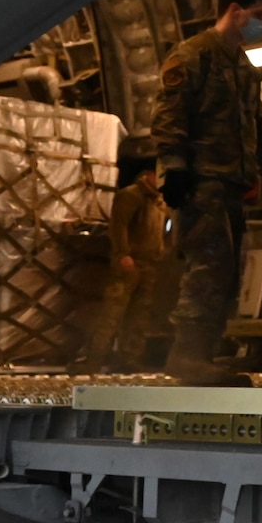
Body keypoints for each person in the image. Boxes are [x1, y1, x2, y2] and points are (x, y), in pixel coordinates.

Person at [151, 0, 262, 384]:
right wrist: (173, 169)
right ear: (234, 11)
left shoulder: (244, 67)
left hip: (232, 184)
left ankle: (204, 351)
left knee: (227, 270)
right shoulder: (193, 55)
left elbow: (254, 129)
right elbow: (169, 116)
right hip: (201, 180)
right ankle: (187, 354)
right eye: (258, 15)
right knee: (208, 266)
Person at [75, 151, 168, 374]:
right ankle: (94, 359)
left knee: (139, 316)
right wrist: (122, 254)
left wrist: (163, 250)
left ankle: (129, 359)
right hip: (130, 262)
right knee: (112, 313)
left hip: (149, 264)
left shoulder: (160, 202)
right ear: (150, 174)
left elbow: (165, 229)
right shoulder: (131, 196)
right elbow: (118, 226)